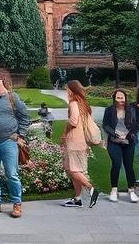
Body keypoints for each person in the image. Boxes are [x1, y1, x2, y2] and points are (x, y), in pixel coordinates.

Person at [0, 69, 31, 218]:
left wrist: (20, 134)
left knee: (12, 174)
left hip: (8, 142)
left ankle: (17, 204)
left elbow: (25, 117)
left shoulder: (12, 98)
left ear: (0, 81)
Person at [60, 79, 99, 208]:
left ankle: (91, 188)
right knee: (76, 170)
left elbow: (73, 121)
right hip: (82, 141)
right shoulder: (83, 104)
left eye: (67, 89)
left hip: (74, 141)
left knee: (73, 170)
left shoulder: (73, 103)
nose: (66, 91)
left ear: (71, 90)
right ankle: (77, 199)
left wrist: (65, 133)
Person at [102, 88, 139, 203]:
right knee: (116, 164)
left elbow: (135, 125)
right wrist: (115, 134)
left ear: (125, 98)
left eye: (122, 98)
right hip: (114, 141)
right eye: (118, 98)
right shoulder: (109, 110)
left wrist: (131, 134)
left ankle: (131, 190)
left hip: (128, 142)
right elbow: (105, 125)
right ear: (114, 98)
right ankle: (114, 190)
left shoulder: (131, 109)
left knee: (129, 166)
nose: (120, 100)